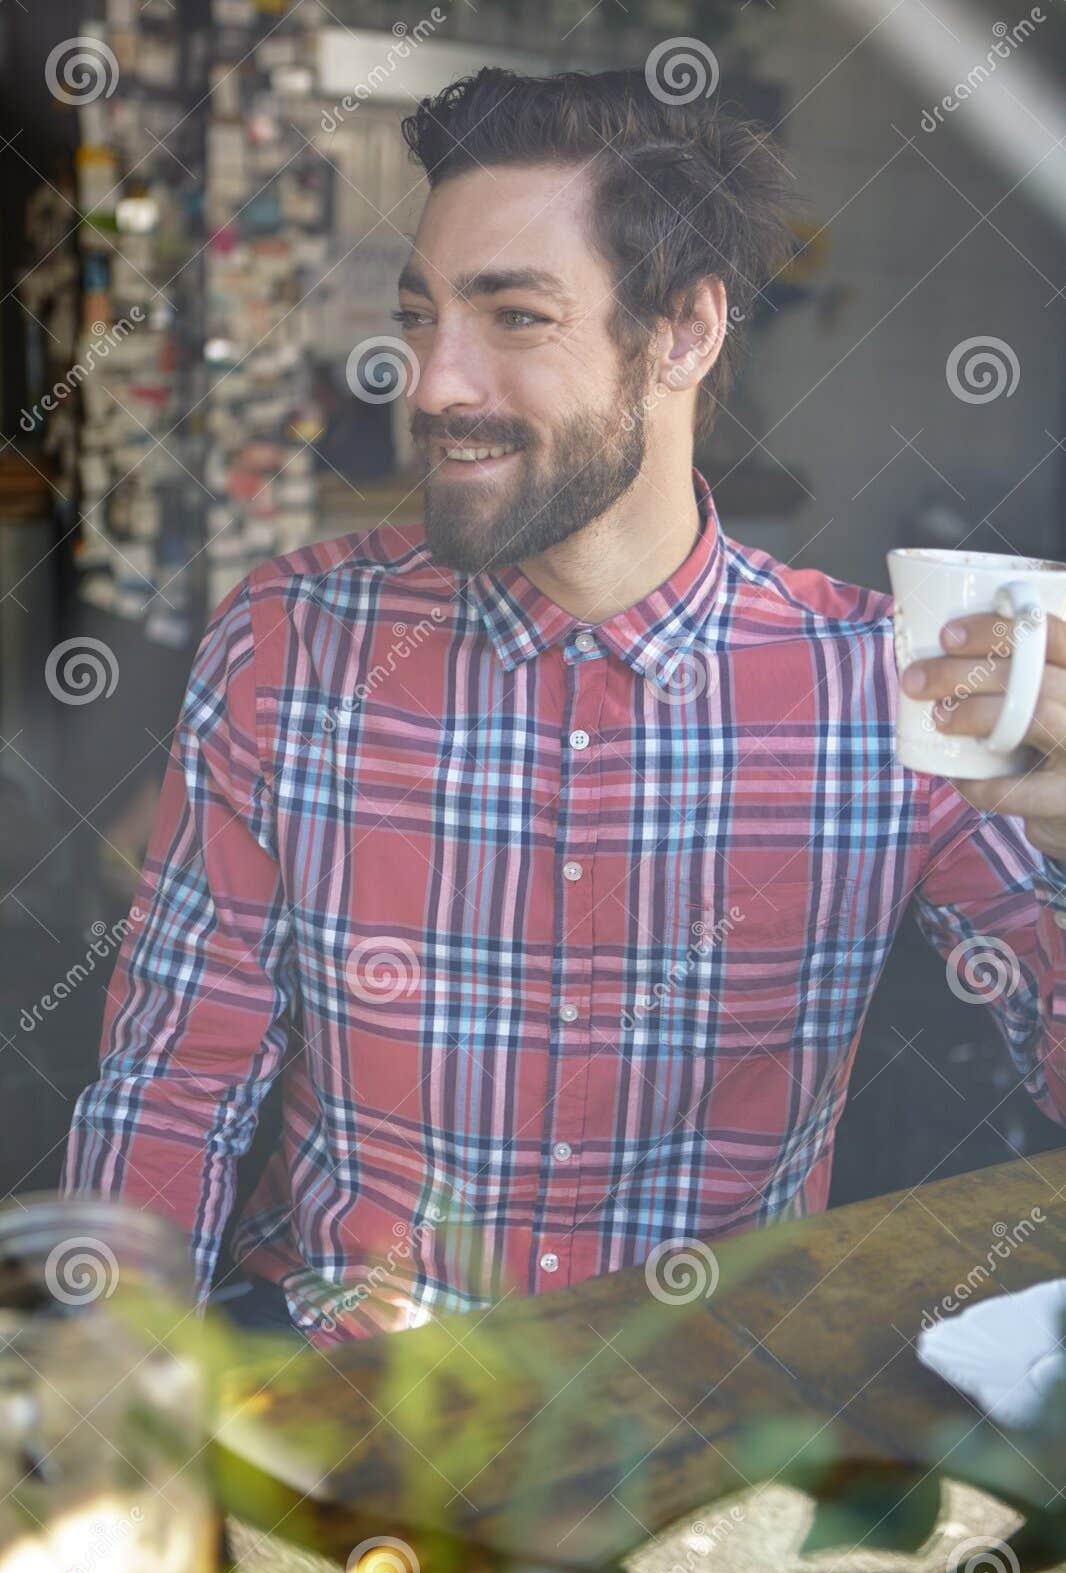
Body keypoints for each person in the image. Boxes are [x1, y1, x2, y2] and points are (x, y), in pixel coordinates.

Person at [64, 67, 1066, 1343]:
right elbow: (174, 1083)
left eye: (515, 317)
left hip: (696, 1397)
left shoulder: (881, 683)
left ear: (684, 334)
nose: (431, 384)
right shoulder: (291, 643)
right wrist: (101, 1397)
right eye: (420, 317)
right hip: (343, 1376)